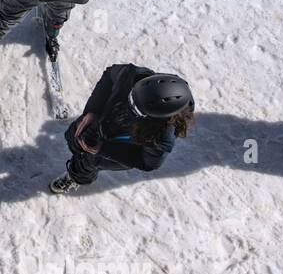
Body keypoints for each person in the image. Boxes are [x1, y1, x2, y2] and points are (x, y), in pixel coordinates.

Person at [51, 68, 194, 194]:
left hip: (122, 146)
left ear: (156, 118)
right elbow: (110, 75)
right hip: (103, 119)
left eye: (136, 108)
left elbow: (148, 163)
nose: (129, 104)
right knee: (76, 135)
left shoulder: (162, 137)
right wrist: (92, 111)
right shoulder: (134, 76)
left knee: (90, 161)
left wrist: (104, 149)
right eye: (132, 96)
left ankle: (75, 177)